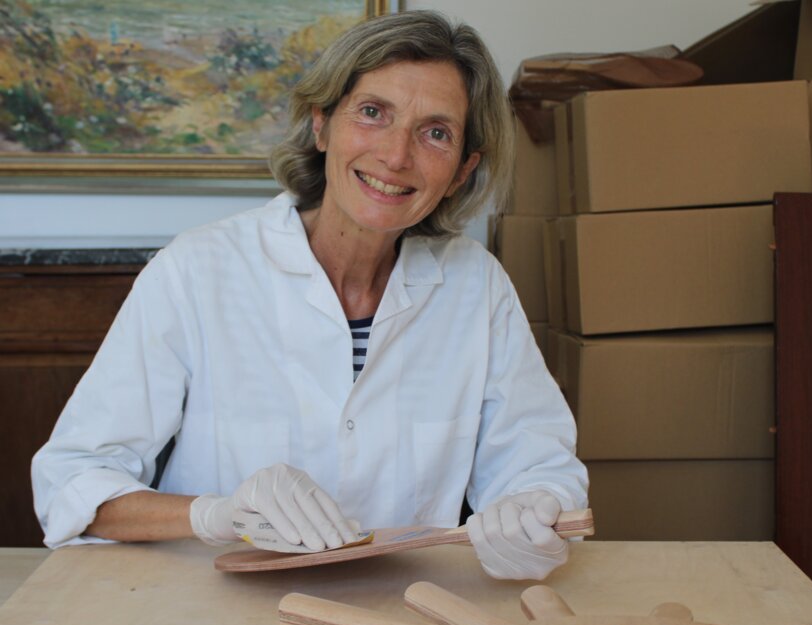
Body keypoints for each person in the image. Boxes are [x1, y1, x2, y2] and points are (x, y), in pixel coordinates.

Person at [31, 10, 588, 580]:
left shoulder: (477, 286)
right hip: (207, 615)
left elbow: (540, 470)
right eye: (373, 113)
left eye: (436, 133)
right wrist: (214, 515)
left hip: (400, 615)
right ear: (322, 126)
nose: (397, 156)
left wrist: (532, 515)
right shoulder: (197, 270)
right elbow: (73, 483)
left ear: (463, 170)